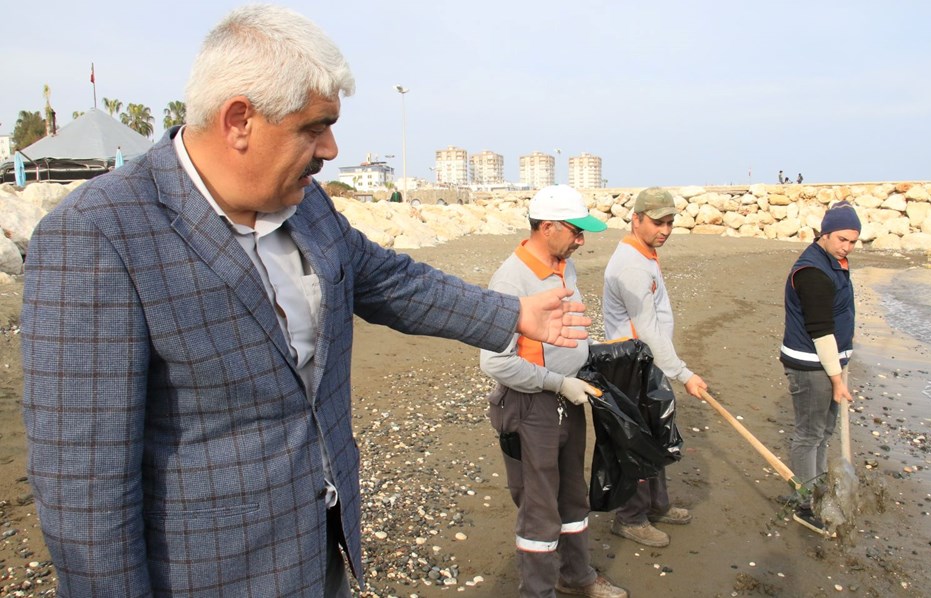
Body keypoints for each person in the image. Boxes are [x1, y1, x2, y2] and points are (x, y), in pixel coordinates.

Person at [20, 7, 592, 597]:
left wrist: (511, 314)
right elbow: (84, 486)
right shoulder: (99, 233)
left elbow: (388, 280)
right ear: (239, 120)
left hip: (323, 543)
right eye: (314, 127)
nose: (332, 148)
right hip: (206, 576)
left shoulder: (307, 204)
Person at [481, 185, 627, 598]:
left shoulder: (564, 266)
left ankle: (577, 577)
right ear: (546, 227)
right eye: (575, 231)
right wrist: (558, 381)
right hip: (530, 408)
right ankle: (538, 592)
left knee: (572, 495)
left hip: (569, 398)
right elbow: (495, 362)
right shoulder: (510, 280)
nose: (582, 240)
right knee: (539, 509)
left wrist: (584, 367)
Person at [602, 187, 708, 548]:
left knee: (656, 436)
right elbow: (646, 329)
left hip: (649, 364)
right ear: (636, 219)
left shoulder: (645, 254)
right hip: (632, 365)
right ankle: (630, 518)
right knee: (637, 445)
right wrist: (683, 373)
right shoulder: (631, 265)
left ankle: (657, 505)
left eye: (670, 222)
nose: (664, 229)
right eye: (657, 222)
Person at [779, 200, 861, 535]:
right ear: (824, 234)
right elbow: (821, 331)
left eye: (854, 241)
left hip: (829, 363)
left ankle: (816, 485)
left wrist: (843, 365)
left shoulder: (835, 262)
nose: (848, 247)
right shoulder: (812, 271)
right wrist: (837, 380)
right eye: (842, 239)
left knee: (824, 432)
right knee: (809, 434)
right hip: (811, 366)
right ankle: (803, 502)